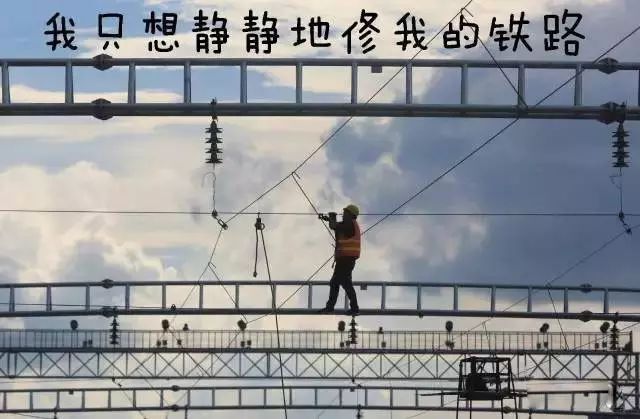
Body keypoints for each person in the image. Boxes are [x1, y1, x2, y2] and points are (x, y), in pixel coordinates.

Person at [319, 204, 361, 315]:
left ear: (350, 214)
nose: (343, 214)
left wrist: (332, 217)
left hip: (346, 259)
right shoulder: (350, 224)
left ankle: (353, 308)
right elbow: (336, 226)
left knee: (343, 283)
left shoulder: (349, 224)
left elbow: (335, 226)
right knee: (337, 282)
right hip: (345, 259)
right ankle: (331, 307)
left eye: (345, 212)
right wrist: (329, 219)